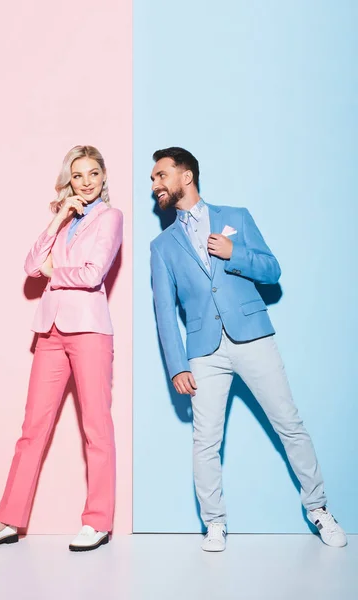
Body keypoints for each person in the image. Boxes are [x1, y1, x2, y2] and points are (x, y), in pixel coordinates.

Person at [150, 146, 346, 552]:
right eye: (153, 179)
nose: (155, 185)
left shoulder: (235, 217)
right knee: (205, 441)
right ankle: (214, 523)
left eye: (160, 176)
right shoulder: (162, 246)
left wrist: (234, 253)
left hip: (253, 336)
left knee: (289, 425)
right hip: (203, 350)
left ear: (185, 176)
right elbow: (165, 313)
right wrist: (176, 365)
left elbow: (272, 271)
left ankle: (320, 509)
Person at [0, 145, 123, 552]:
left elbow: (93, 274)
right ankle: (7, 520)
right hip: (50, 333)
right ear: (68, 181)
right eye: (77, 176)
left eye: (93, 174)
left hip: (90, 332)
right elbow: (30, 266)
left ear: (104, 177)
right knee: (31, 430)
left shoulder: (111, 218)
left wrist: (54, 272)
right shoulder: (65, 220)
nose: (86, 182)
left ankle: (98, 521)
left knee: (96, 428)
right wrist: (58, 217)